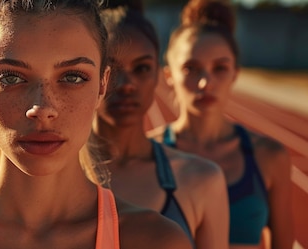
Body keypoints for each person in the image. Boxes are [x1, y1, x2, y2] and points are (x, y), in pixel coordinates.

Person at [0, 0, 192, 248]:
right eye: (11, 77)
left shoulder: (157, 241)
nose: (42, 108)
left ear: (101, 85)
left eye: (72, 77)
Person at [148, 0, 294, 248]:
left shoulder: (269, 157)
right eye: (191, 68)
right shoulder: (148, 154)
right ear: (169, 75)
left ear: (235, 74)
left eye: (220, 68)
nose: (206, 82)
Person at [95, 6, 229, 249]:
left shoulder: (201, 180)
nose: (127, 85)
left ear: (157, 75)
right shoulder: (48, 175)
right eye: (112, 69)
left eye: (142, 68)